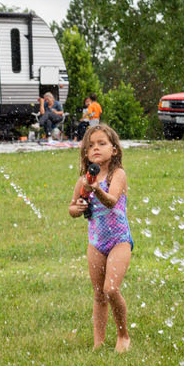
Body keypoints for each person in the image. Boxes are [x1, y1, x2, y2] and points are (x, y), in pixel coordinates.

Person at [67, 122, 133, 352]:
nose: (96, 148)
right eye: (91, 145)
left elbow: (112, 200)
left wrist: (95, 189)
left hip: (119, 240)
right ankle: (98, 343)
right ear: (85, 153)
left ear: (113, 150)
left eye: (102, 144)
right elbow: (72, 209)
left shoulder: (118, 174)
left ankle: (123, 336)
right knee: (98, 294)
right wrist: (79, 207)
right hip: (96, 242)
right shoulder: (83, 181)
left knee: (111, 289)